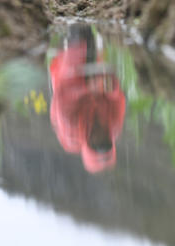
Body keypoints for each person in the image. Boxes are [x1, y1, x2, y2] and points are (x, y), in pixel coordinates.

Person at [49, 24, 126, 173]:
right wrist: (110, 87)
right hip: (96, 80)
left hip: (68, 80)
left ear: (88, 144)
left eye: (96, 142)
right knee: (90, 43)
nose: (100, 135)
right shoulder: (114, 127)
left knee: (78, 42)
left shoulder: (70, 130)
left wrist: (87, 87)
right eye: (105, 140)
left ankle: (72, 24)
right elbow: (118, 99)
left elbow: (62, 94)